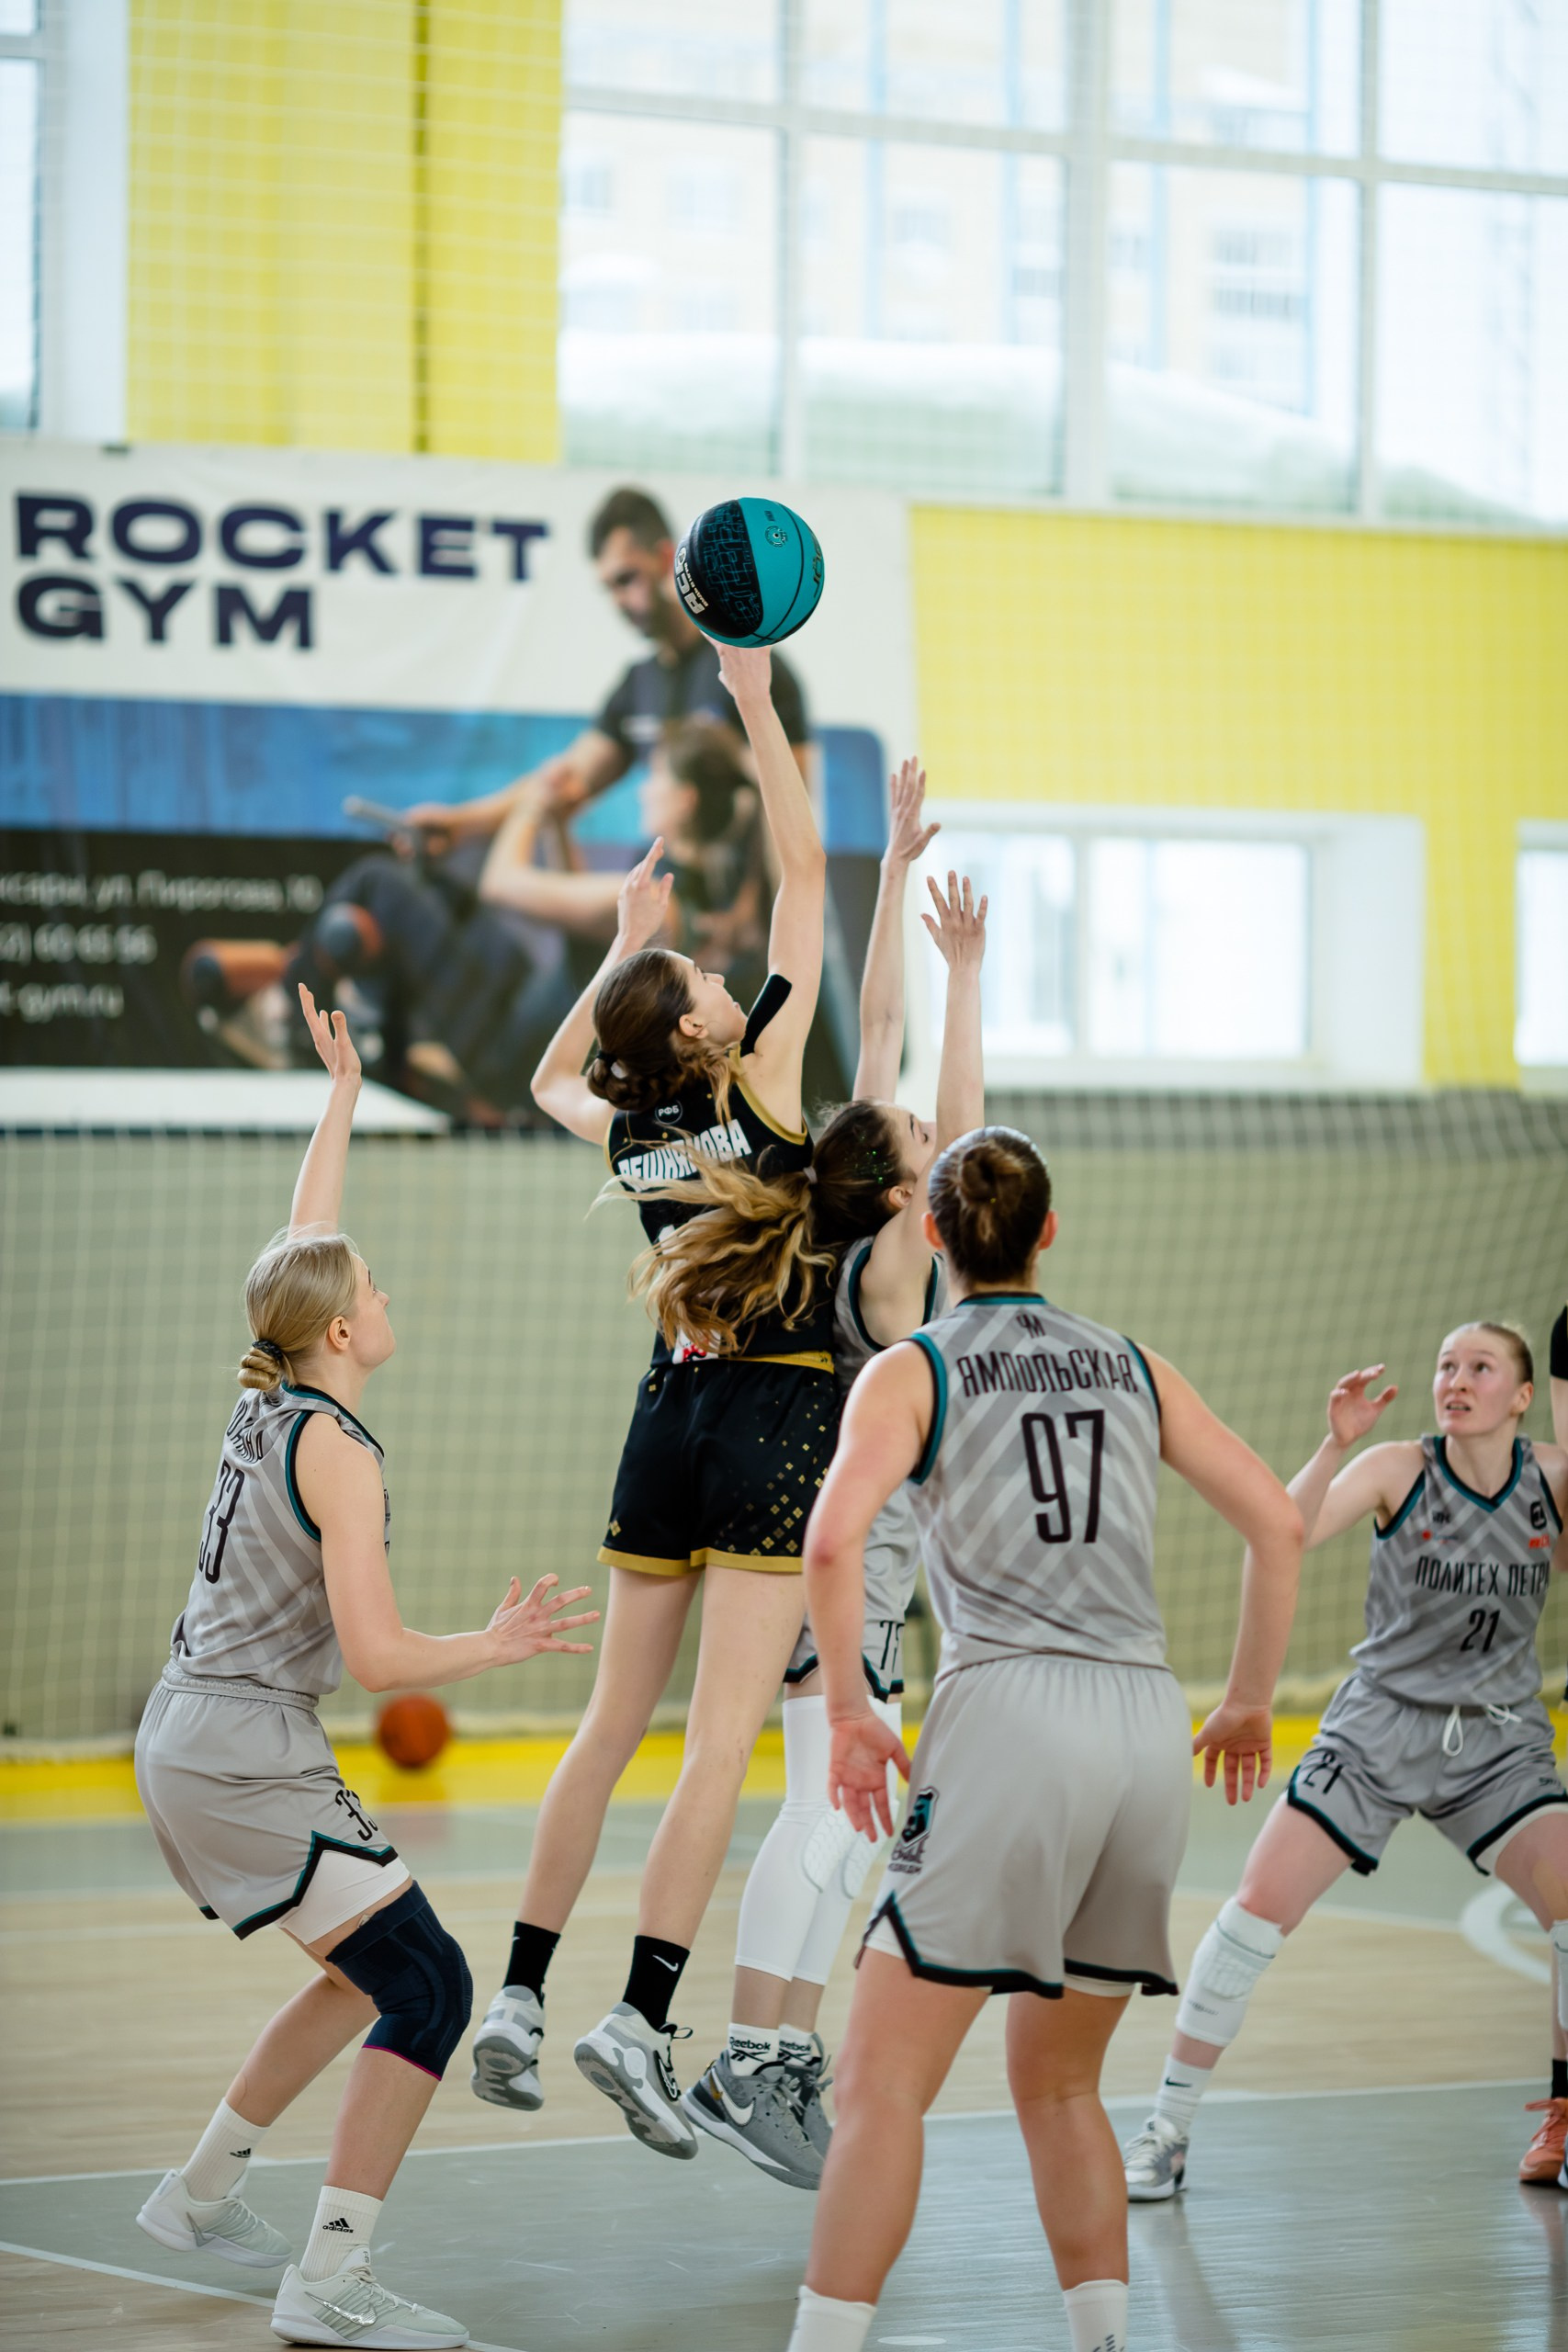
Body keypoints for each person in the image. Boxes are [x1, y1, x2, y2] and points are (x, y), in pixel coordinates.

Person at [785, 1126, 1305, 2352]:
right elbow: (1279, 1526)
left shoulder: (911, 1367)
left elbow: (830, 1541)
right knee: (1063, 2083)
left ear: (932, 1235)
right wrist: (1246, 1697)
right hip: (1143, 1726)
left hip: (1010, 1715)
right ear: (1049, 1233)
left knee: (877, 2086)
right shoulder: (1131, 1362)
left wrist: (850, 1712)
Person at [131, 986, 598, 2351]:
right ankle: (329, 2279)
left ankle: (197, 2194)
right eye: (372, 1289)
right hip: (245, 1745)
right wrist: (495, 1642)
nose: (384, 1295)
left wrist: (339, 1100)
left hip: (193, 1730)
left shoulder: (265, 1393)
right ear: (340, 1332)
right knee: (431, 1985)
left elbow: (304, 1242)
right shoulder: (334, 1448)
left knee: (361, 1975)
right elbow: (383, 1655)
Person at [468, 637, 830, 2155]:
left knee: (607, 1725)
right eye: (698, 980)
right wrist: (752, 703)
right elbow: (804, 876)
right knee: (717, 1744)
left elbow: (553, 1079)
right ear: (696, 1029)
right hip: (771, 1417)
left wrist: (622, 941)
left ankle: (516, 1998)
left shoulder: (638, 1136)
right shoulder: (759, 1084)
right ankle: (636, 2016)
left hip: (662, 1418)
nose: (723, 979)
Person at [681, 759, 973, 2189]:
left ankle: (776, 2052)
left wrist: (897, 875)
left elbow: (884, 1053)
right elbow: (941, 1110)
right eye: (918, 1147)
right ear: (905, 1191)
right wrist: (958, 969)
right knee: (826, 1815)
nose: (923, 1131)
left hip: (857, 1560)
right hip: (847, 1563)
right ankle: (751, 2049)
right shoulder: (895, 1271)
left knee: (842, 1821)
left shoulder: (861, 1230)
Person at [1122, 1325, 1568, 2209]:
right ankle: (1166, 2130)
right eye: (1445, 1365)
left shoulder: (1550, 1479)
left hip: (1498, 1739)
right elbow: (1279, 1531)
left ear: (1522, 1396)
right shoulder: (1397, 1468)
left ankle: (1563, 2114)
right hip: (1377, 1729)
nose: (1455, 1380)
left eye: (1480, 1368)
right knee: (1251, 1917)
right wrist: (1333, 1445)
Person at [401, 485, 811, 847]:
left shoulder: (752, 669)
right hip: (668, 888)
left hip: (741, 901)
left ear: (666, 558)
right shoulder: (637, 685)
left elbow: (798, 805)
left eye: (627, 579)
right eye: (609, 588)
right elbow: (563, 781)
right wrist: (460, 824)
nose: (619, 601)